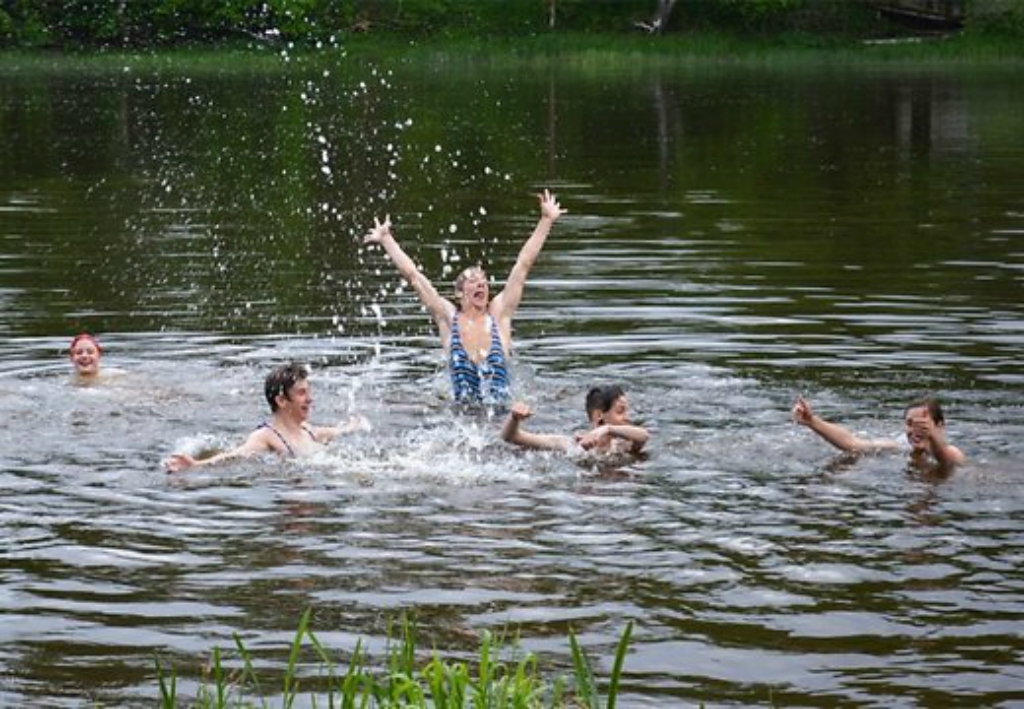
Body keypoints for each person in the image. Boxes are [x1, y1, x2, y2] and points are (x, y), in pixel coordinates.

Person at [364, 190, 565, 406]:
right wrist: (386, 240)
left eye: (484, 281)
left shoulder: (498, 314)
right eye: (472, 281)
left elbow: (523, 265)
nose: (481, 284)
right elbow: (414, 276)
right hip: (460, 419)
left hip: (503, 417)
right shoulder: (448, 318)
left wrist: (546, 221)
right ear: (459, 293)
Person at [164, 362, 369, 472]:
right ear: (281, 401)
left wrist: (354, 425)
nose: (310, 399)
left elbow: (338, 431)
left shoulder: (309, 430)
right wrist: (197, 465)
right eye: (301, 393)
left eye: (308, 392)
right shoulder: (266, 437)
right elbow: (235, 455)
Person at [791, 396, 966, 468]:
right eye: (910, 423)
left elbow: (944, 458)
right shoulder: (900, 447)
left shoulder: (953, 452)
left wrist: (932, 436)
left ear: (940, 425)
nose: (916, 430)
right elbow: (852, 443)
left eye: (923, 424)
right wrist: (813, 422)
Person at [501, 384, 649, 456]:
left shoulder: (622, 446)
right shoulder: (570, 445)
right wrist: (514, 417)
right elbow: (511, 437)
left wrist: (607, 429)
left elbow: (644, 436)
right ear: (599, 415)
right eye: (621, 411)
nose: (627, 417)